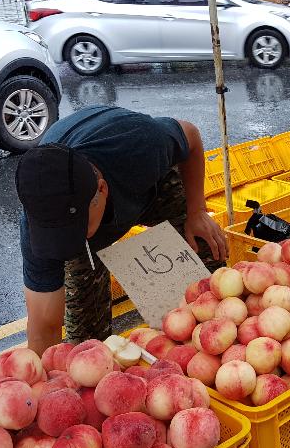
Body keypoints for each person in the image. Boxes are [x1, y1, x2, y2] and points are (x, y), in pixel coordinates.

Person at [15, 106, 228, 355]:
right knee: (86, 345)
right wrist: (41, 382)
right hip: (86, 200)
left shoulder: (139, 144)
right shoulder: (39, 231)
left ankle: (218, 330)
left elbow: (189, 135)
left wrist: (197, 211)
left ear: (102, 190)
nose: (72, 238)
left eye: (77, 229)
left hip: (147, 188)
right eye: (63, 235)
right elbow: (43, 326)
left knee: (205, 254)